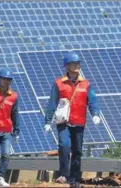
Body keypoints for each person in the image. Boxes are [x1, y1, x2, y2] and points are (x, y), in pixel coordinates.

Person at [44, 52, 101, 188]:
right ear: (67, 66)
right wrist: (47, 121)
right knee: (64, 145)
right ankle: (65, 173)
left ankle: (75, 179)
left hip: (79, 122)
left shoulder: (86, 84)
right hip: (63, 122)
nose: (77, 66)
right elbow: (52, 102)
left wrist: (95, 114)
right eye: (74, 64)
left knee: (77, 151)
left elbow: (92, 100)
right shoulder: (59, 83)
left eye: (78, 63)